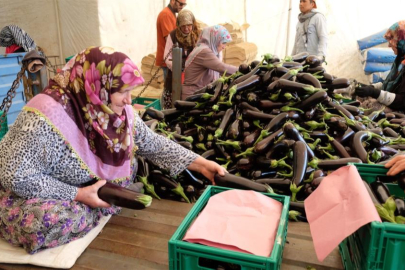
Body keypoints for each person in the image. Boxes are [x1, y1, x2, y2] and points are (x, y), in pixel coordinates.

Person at [0, 46, 225, 254]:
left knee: (130, 163)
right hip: (36, 188)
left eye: (131, 91)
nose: (129, 100)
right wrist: (79, 195)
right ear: (97, 85)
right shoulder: (44, 115)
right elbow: (15, 177)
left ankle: (99, 203)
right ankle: (99, 205)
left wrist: (201, 164)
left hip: (87, 185)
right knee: (42, 222)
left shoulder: (116, 110)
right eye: (123, 91)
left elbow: (152, 143)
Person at [355, 21, 405, 112]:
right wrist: (370, 88)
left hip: (401, 110)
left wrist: (374, 93)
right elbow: (388, 84)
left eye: (393, 41)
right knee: (359, 96)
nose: (389, 45)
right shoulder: (400, 60)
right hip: (395, 104)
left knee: (371, 105)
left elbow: (402, 101)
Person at [182, 25, 238, 100]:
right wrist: (246, 70)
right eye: (223, 42)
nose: (224, 47)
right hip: (193, 96)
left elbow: (222, 73)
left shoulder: (204, 48)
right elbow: (222, 68)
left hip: (198, 94)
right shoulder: (204, 51)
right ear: (215, 39)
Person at [162, 9, 200, 109]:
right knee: (173, 102)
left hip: (193, 77)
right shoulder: (173, 35)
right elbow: (166, 56)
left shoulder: (197, 35)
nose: (187, 28)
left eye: (189, 25)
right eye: (183, 26)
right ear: (179, 25)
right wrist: (176, 67)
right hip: (175, 75)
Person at [156, 0, 187, 81]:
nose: (182, 7)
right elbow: (170, 40)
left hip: (172, 57)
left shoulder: (171, 14)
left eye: (184, 5)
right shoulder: (166, 14)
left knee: (171, 89)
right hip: (168, 58)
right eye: (180, 4)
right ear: (173, 1)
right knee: (169, 89)